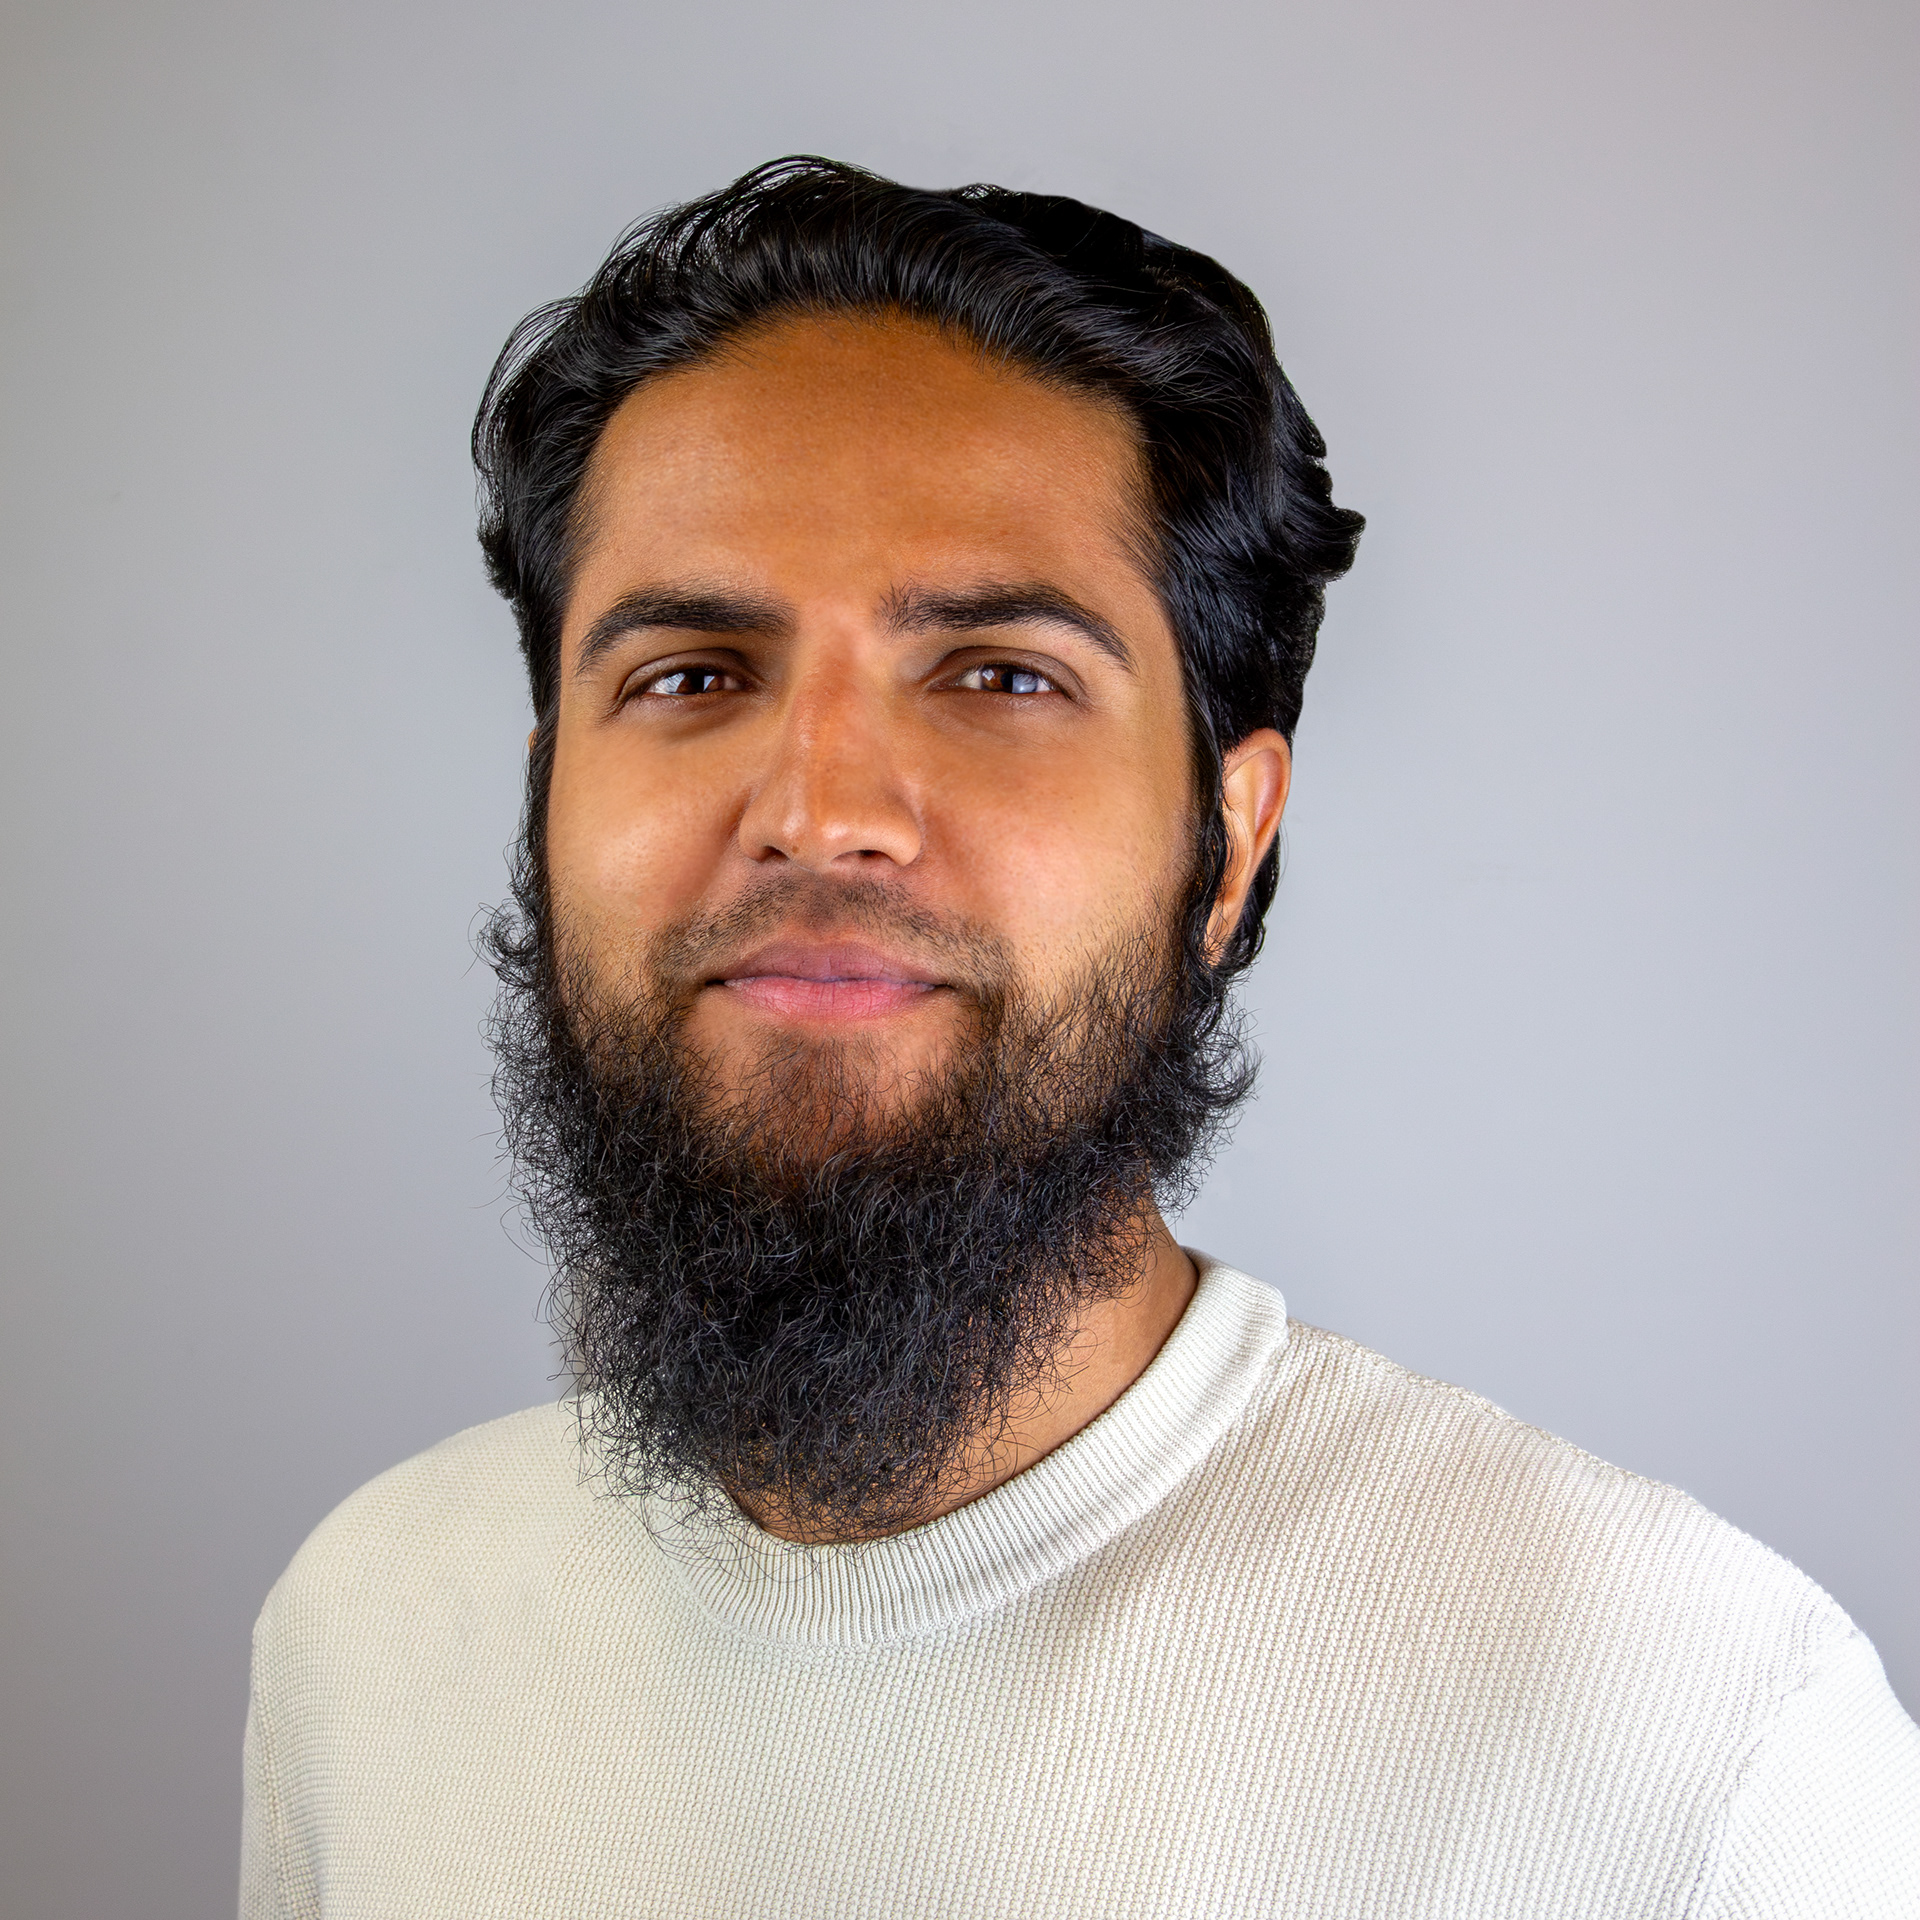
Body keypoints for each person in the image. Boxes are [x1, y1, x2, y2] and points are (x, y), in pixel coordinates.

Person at [240, 157, 1919, 1919]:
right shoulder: (368, 1634)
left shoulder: (1701, 1749)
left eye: (1000, 675)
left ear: (1228, 843)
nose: (817, 813)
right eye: (694, 676)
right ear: (546, 803)